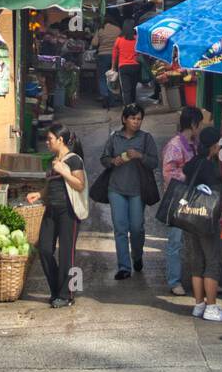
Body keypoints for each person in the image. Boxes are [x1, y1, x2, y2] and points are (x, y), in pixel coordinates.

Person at [30, 123, 87, 308]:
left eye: (50, 139)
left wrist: (64, 173)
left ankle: (67, 294)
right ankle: (56, 290)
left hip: (68, 211)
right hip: (51, 210)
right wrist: (40, 194)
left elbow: (80, 185)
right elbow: (50, 185)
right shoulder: (52, 161)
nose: (47, 142)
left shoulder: (74, 160)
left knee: (66, 253)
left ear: (60, 140)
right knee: (44, 249)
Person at [100, 103, 159, 280]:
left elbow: (154, 162)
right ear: (124, 119)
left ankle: (137, 256)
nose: (136, 122)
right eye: (133, 118)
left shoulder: (146, 139)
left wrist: (140, 156)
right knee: (120, 228)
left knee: (137, 228)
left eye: (139, 119)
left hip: (137, 190)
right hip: (116, 188)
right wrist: (113, 161)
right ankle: (124, 266)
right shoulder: (114, 138)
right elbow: (103, 158)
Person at [182, 126, 222, 323]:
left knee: (197, 262)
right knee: (211, 262)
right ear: (214, 146)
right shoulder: (210, 167)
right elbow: (214, 194)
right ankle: (211, 307)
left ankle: (199, 305)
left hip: (190, 219)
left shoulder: (193, 162)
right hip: (206, 220)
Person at [161, 106, 204, 295]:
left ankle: (203, 279)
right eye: (201, 123)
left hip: (194, 198)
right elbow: (168, 173)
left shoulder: (195, 144)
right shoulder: (175, 145)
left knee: (198, 240)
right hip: (177, 199)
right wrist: (189, 174)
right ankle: (174, 281)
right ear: (194, 125)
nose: (202, 127)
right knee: (175, 242)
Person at [91, 10, 122, 110]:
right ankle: (112, 100)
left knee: (102, 77)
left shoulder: (101, 29)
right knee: (113, 78)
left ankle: (105, 96)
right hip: (115, 56)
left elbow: (94, 43)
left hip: (102, 55)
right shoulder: (118, 29)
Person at [111, 20, 142, 107]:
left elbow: (114, 55)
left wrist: (113, 67)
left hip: (123, 67)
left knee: (126, 89)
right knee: (133, 87)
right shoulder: (137, 39)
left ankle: (128, 106)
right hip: (136, 66)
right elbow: (140, 52)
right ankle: (133, 103)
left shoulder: (119, 40)